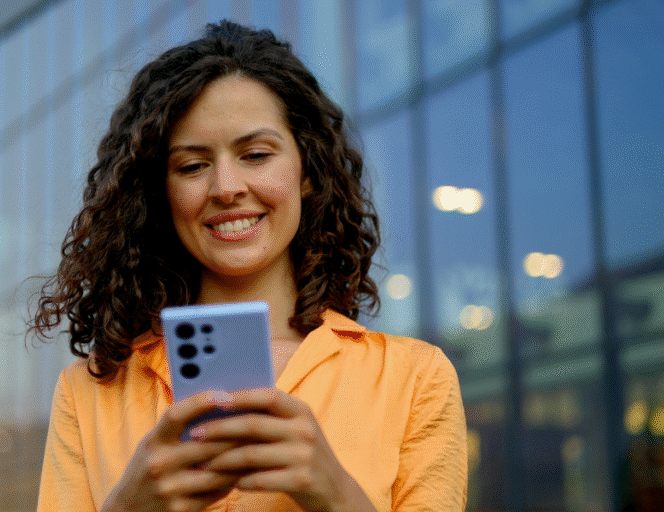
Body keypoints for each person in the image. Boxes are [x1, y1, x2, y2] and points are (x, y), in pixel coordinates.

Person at [30, 20, 467, 512]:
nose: (226, 188)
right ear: (161, 192)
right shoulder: (89, 392)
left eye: (256, 155)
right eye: (192, 166)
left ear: (307, 171)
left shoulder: (415, 379)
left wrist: (338, 494)